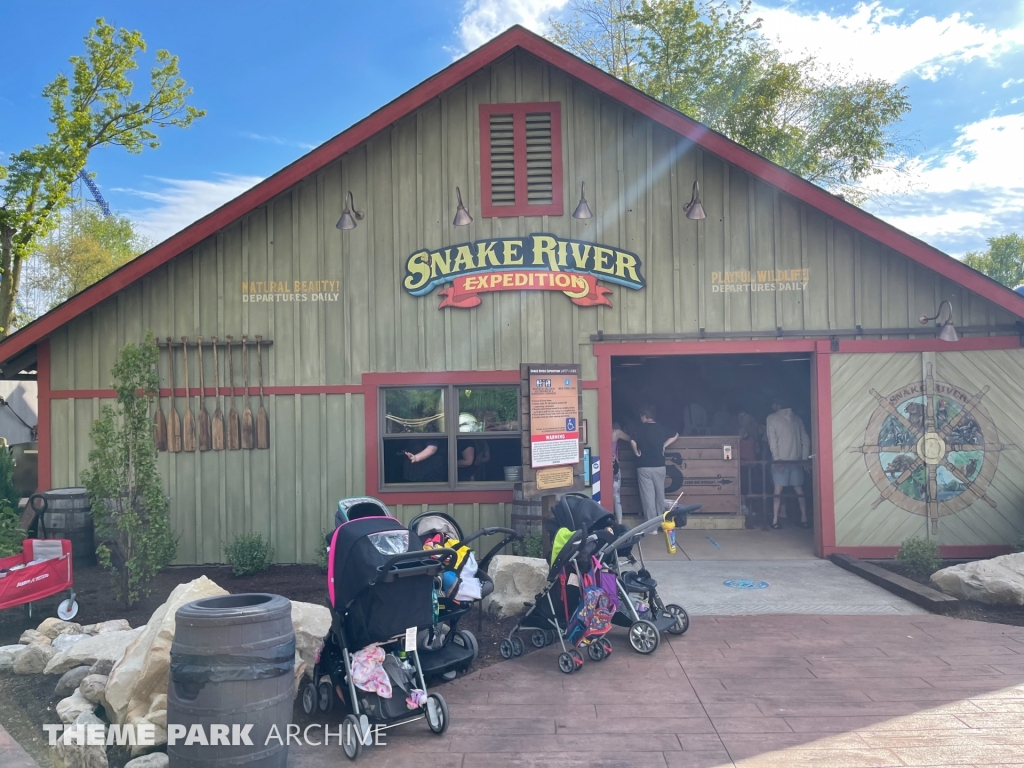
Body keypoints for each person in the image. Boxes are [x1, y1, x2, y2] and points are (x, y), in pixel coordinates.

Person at [630, 405, 679, 530]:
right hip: (659, 465)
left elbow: (632, 441)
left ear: (644, 416)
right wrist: (664, 446)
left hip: (644, 466)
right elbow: (675, 434)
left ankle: (652, 528)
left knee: (648, 497)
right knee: (660, 496)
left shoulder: (639, 428)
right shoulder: (660, 427)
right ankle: (662, 523)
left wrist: (636, 453)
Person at [766, 398, 811, 529]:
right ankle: (804, 518)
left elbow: (772, 440)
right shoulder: (797, 419)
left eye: (773, 403)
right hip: (796, 460)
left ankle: (775, 520)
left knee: (778, 489)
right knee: (799, 489)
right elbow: (806, 439)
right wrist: (803, 458)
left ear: (777, 404)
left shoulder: (772, 418)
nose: (772, 406)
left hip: (781, 460)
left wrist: (776, 458)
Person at [611, 422, 631, 523]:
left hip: (601, 465)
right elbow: (630, 438)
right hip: (614, 465)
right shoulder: (616, 432)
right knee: (616, 496)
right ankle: (619, 523)